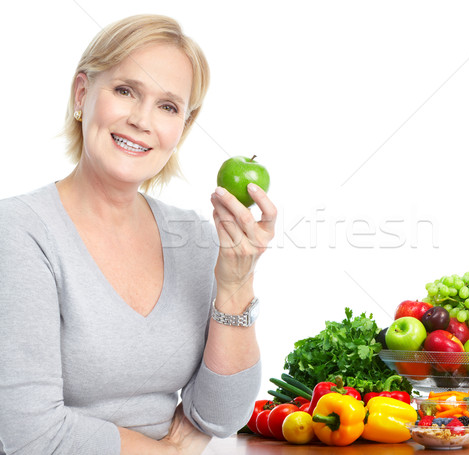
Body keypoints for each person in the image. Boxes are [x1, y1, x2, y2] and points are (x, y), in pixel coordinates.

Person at [0, 14, 276, 455]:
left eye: (168, 106)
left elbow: (222, 417)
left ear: (182, 127)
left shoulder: (193, 235)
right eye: (125, 91)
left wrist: (235, 282)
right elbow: (30, 434)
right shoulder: (19, 231)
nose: (141, 120)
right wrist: (170, 452)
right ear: (83, 94)